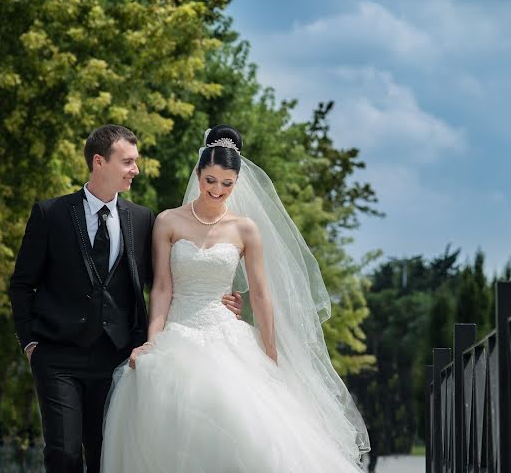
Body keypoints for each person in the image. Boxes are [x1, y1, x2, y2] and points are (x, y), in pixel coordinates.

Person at [100, 125, 370, 472]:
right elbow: (163, 288)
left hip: (226, 333)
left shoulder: (245, 229)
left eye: (227, 184)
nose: (216, 190)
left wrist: (270, 355)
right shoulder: (168, 222)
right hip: (178, 331)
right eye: (210, 180)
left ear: (237, 182)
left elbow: (259, 294)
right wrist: (154, 342)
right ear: (198, 173)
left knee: (245, 424)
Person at [9, 124, 242, 473]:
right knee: (63, 454)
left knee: (107, 457)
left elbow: (164, 283)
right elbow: (21, 285)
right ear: (99, 162)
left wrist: (217, 298)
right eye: (128, 161)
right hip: (57, 356)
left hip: (116, 357)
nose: (136, 169)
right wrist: (30, 343)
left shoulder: (142, 219)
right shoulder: (50, 214)